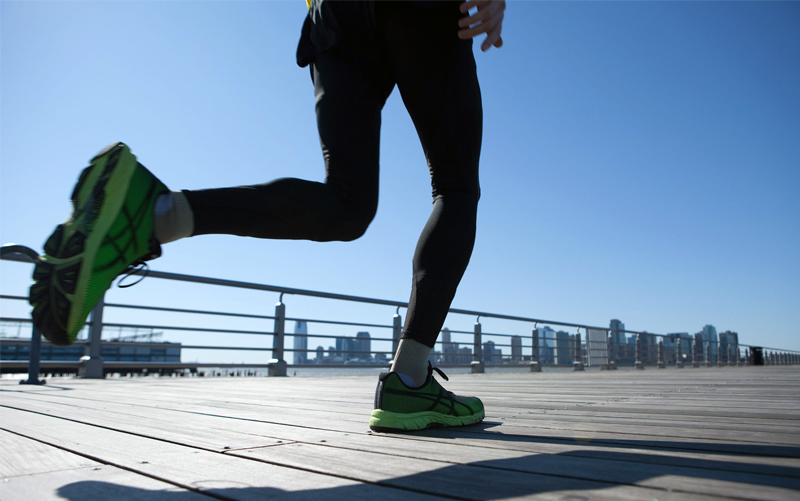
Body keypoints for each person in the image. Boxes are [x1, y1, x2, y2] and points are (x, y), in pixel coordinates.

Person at [29, 0, 505, 432]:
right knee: (455, 188)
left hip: (332, 19)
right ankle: (410, 379)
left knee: (346, 205)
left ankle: (155, 215)